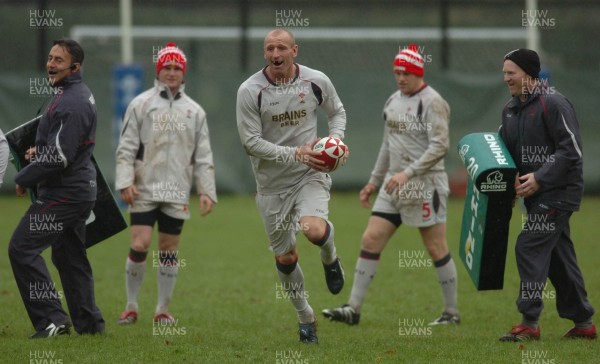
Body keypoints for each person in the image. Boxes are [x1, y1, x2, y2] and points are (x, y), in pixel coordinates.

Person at [323, 44, 460, 327]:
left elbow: (440, 146)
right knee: (370, 239)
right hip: (393, 185)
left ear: (418, 73)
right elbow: (388, 145)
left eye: (406, 73)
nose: (400, 77)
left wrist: (407, 174)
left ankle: (451, 312)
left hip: (425, 185)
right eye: (397, 72)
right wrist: (373, 182)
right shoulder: (392, 101)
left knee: (436, 247)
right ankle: (353, 309)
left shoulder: (433, 102)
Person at [236, 28, 346, 344]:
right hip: (271, 186)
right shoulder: (250, 90)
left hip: (309, 174)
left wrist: (335, 140)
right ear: (265, 54)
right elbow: (250, 142)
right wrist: (294, 152)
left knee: (313, 230)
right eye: (269, 48)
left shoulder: (315, 80)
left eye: (281, 47)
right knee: (285, 258)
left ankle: (330, 255)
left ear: (294, 50)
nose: (275, 54)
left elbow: (336, 112)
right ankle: (305, 317)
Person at [8, 38, 105, 338]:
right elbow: (65, 147)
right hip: (77, 190)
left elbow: (59, 157)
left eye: (58, 60)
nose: (50, 64)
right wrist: (40, 150)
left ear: (75, 66)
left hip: (64, 194)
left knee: (22, 249)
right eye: (50, 58)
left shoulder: (71, 101)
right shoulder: (71, 94)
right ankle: (90, 325)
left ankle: (52, 320)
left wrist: (24, 178)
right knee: (70, 257)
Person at [115, 42, 217, 325]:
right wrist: (125, 181)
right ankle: (131, 306)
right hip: (144, 188)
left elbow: (203, 154)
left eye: (176, 68)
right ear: (158, 71)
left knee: (169, 250)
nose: (171, 72)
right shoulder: (140, 104)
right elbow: (126, 148)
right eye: (167, 68)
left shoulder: (195, 111)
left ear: (183, 74)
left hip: (176, 191)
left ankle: (162, 310)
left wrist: (207, 190)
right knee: (141, 242)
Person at [498, 48, 595, 341]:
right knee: (557, 257)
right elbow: (504, 150)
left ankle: (529, 321)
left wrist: (540, 178)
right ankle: (583, 323)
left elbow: (572, 151)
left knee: (529, 246)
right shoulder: (511, 109)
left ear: (529, 73)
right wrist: (507, 181)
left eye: (511, 73)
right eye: (504, 73)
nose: (506, 79)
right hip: (535, 196)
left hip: (559, 192)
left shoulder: (554, 103)